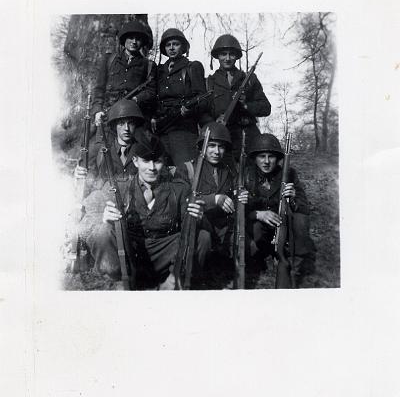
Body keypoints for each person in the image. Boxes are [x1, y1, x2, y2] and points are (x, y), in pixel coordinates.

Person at [76, 131, 209, 289]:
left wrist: (198, 218)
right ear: (135, 161)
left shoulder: (179, 189)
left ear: (164, 162)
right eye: (146, 161)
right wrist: (104, 218)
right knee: (102, 231)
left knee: (202, 236)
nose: (152, 168)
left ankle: (176, 279)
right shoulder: (118, 187)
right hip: (130, 253)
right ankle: (117, 279)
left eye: (157, 161)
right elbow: (87, 220)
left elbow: (195, 228)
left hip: (166, 254)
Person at [245, 133, 316, 286]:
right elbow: (239, 210)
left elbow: (304, 207)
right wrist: (257, 214)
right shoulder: (247, 176)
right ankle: (264, 255)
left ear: (277, 159)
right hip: (259, 228)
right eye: (262, 156)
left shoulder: (289, 174)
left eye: (271, 156)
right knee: (255, 232)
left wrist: (293, 197)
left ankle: (288, 259)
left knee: (300, 220)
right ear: (255, 158)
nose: (266, 161)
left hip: (283, 227)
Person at [175, 122, 248, 258]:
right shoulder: (187, 169)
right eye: (212, 145)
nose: (216, 151)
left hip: (223, 228)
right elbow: (182, 201)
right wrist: (214, 199)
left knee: (247, 247)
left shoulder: (229, 171)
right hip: (198, 226)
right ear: (201, 146)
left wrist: (242, 197)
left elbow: (236, 195)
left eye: (221, 147)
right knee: (204, 241)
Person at [204, 34, 271, 163]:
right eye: (223, 54)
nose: (227, 58)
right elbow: (203, 113)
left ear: (237, 56)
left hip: (248, 136)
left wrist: (246, 105)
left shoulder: (249, 79)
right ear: (217, 56)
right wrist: (214, 123)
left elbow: (266, 108)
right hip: (222, 139)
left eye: (232, 54)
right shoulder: (209, 82)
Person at [91, 19, 157, 142]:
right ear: (124, 39)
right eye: (131, 38)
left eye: (138, 39)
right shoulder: (109, 60)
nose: (134, 42)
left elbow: (151, 91)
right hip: (108, 115)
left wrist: (135, 99)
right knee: (102, 149)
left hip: (133, 117)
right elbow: (99, 89)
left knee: (135, 150)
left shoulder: (148, 65)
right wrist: (97, 111)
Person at [153, 28, 208, 166]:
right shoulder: (159, 71)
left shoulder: (192, 67)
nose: (171, 48)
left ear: (183, 47)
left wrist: (190, 110)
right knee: (161, 171)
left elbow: (203, 99)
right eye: (168, 45)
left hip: (183, 130)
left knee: (185, 171)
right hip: (161, 130)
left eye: (176, 44)